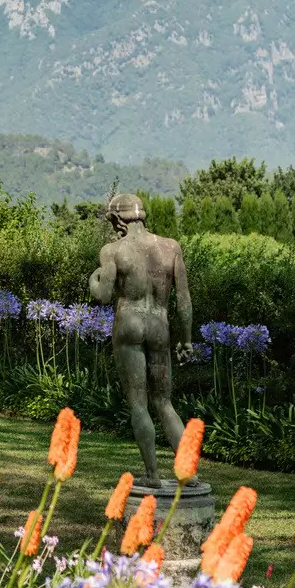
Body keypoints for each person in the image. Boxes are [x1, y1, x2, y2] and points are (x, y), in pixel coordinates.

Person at [89, 192, 193, 484]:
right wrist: (186, 339)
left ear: (119, 219)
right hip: (160, 326)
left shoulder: (112, 251)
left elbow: (104, 295)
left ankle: (152, 475)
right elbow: (184, 301)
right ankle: (190, 473)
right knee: (165, 403)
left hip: (130, 325)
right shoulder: (171, 247)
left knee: (139, 404)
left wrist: (94, 279)